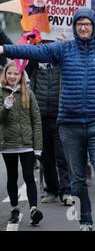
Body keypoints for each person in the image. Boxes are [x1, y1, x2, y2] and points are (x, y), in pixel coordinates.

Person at [0, 7, 95, 231]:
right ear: (74, 27)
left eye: (87, 24)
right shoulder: (64, 49)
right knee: (76, 179)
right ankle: (85, 220)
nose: (83, 27)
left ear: (94, 26)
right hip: (70, 125)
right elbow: (33, 53)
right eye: (79, 24)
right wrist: (3, 49)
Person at [26, 35, 73, 206]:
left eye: (50, 43)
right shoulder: (35, 61)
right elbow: (26, 79)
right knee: (46, 157)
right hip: (40, 117)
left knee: (62, 155)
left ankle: (66, 190)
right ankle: (52, 190)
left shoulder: (62, 61)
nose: (47, 46)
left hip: (59, 116)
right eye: (44, 43)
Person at [0, 61, 43, 226]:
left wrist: (38, 146)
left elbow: (36, 120)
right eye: (9, 73)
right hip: (8, 143)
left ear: (20, 76)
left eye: (15, 74)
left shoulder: (29, 93)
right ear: (5, 75)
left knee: (29, 176)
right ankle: (14, 208)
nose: (12, 76)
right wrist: (6, 107)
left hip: (27, 143)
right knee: (12, 177)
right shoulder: (1, 92)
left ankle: (33, 209)